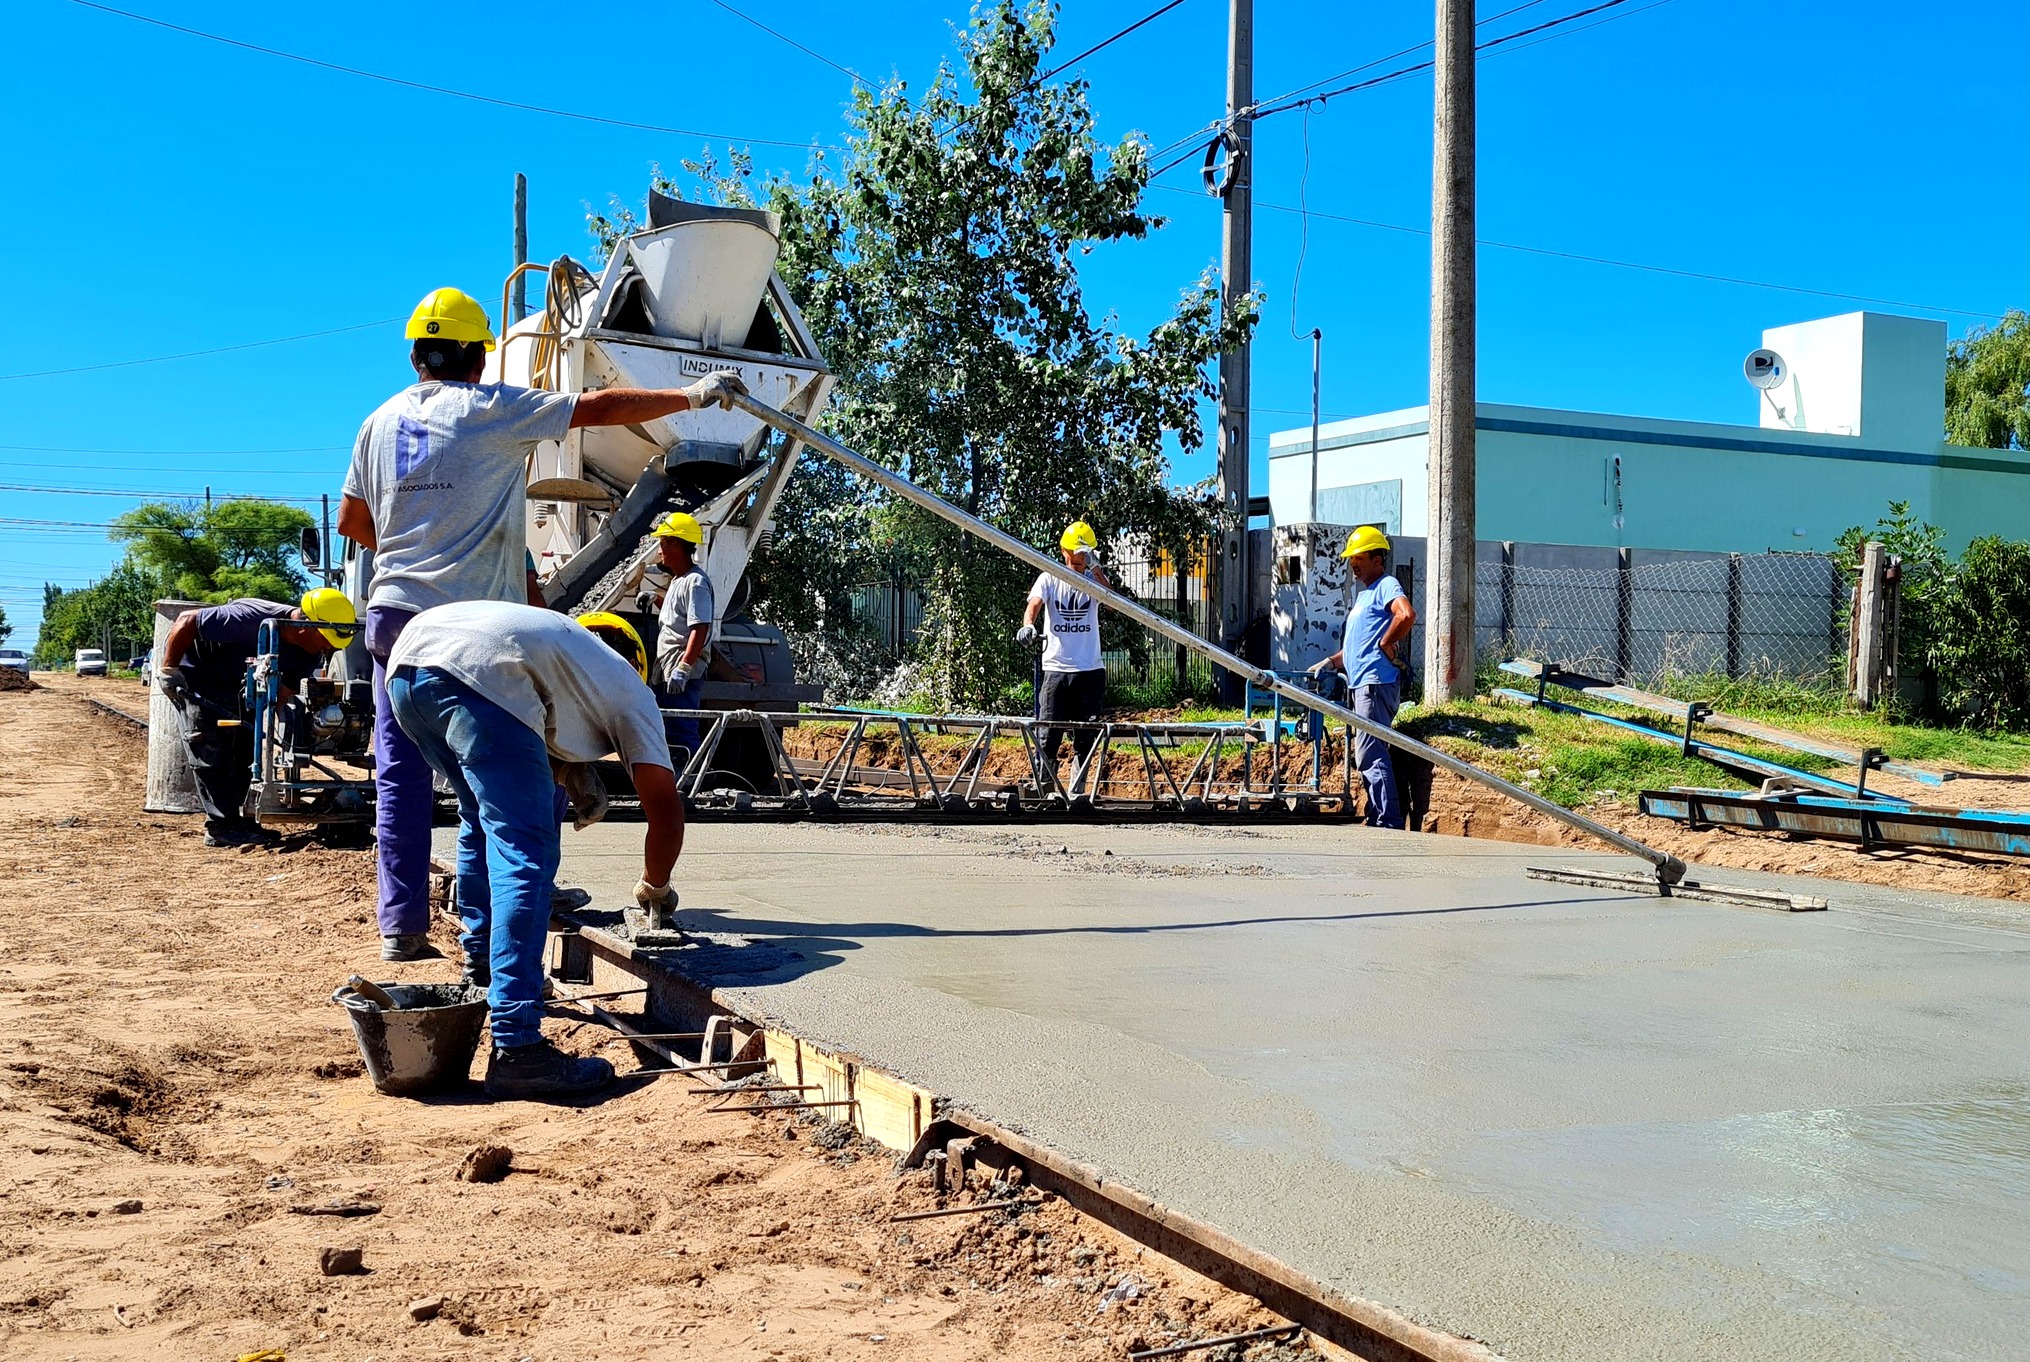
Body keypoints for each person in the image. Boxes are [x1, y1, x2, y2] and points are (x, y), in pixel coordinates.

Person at [336, 285, 746, 962]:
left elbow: (354, 522)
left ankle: (402, 929)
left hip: (392, 622)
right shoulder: (491, 407)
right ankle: (500, 937)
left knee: (399, 780)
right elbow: (596, 408)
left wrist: (421, 530)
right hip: (470, 633)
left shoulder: (376, 423)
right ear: (476, 360)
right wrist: (693, 397)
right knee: (494, 792)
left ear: (417, 357)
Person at [384, 601, 686, 1099]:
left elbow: (531, 729)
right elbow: (665, 809)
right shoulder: (634, 694)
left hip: (410, 669)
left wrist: (569, 770)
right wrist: (655, 885)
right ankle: (518, 1045)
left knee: (479, 823)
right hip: (478, 674)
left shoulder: (569, 651)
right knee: (524, 851)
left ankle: (482, 970)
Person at [156, 590, 356, 846]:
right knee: (210, 748)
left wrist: (264, 724)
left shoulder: (310, 654)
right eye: (326, 640)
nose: (327, 647)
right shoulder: (250, 618)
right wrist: (169, 670)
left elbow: (282, 693)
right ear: (306, 626)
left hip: (240, 684)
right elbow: (186, 621)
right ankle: (221, 827)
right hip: (199, 673)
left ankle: (241, 820)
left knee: (245, 749)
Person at [1310, 526, 1416, 829]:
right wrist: (1331, 662)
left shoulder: (1386, 584)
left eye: (1359, 556)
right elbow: (1357, 645)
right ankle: (1378, 816)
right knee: (1368, 751)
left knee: (1370, 751)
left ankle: (1387, 822)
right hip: (1361, 683)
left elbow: (1406, 615)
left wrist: (1386, 643)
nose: (1353, 563)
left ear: (1377, 558)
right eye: (1351, 558)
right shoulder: (1364, 595)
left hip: (1374, 682)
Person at [1018, 520, 1111, 784]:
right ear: (1064, 551)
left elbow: (1113, 604)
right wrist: (1028, 626)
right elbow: (1034, 605)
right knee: (1048, 734)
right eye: (1076, 552)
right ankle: (1044, 786)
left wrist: (1097, 569)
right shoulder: (1049, 577)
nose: (1080, 558)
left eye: (1085, 553)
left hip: (1089, 669)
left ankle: (1078, 787)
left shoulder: (1093, 579)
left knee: (1086, 736)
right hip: (1057, 668)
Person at [649, 511, 714, 762]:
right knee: (668, 728)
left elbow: (700, 627)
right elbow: (678, 619)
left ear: (676, 544)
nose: (660, 550)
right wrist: (656, 599)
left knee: (682, 729)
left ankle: (688, 783)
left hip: (680, 666)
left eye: (663, 543)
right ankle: (676, 782)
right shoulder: (679, 580)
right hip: (667, 664)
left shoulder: (696, 582)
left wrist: (685, 667)